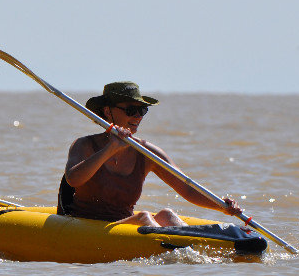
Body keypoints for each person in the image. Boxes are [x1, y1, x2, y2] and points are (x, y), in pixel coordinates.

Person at [59, 82, 242, 226]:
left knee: (167, 215)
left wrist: (221, 206)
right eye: (131, 110)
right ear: (108, 111)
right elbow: (73, 179)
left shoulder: (146, 152)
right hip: (85, 227)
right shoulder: (84, 145)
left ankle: (197, 248)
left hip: (122, 226)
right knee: (144, 217)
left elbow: (186, 188)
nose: (138, 116)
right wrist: (110, 150)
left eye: (142, 111)